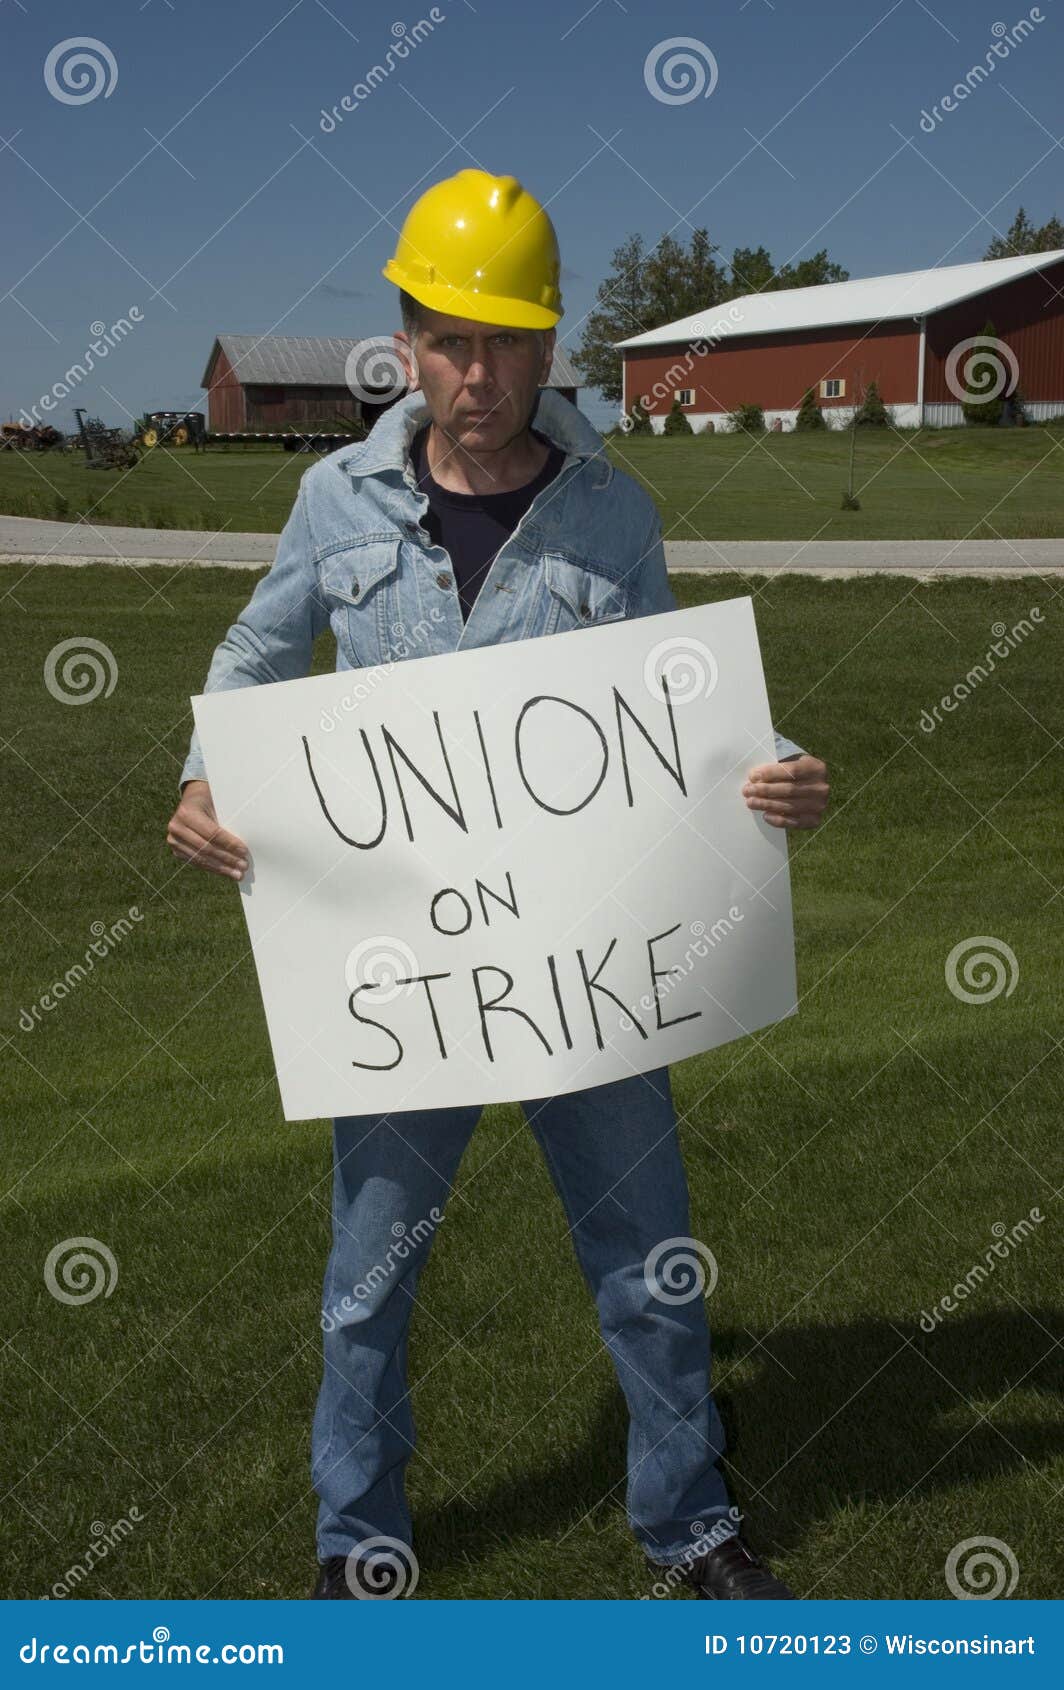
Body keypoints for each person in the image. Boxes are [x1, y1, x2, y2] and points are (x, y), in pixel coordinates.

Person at [166, 169, 831, 1601]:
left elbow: (680, 704)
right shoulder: (329, 499)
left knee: (649, 1253)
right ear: (403, 340)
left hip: (591, 964)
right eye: (451, 338)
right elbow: (251, 660)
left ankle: (689, 1524)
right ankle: (361, 1534)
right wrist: (199, 773)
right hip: (410, 982)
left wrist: (778, 767)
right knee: (370, 1276)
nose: (480, 373)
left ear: (549, 341)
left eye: (509, 340)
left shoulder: (610, 512)